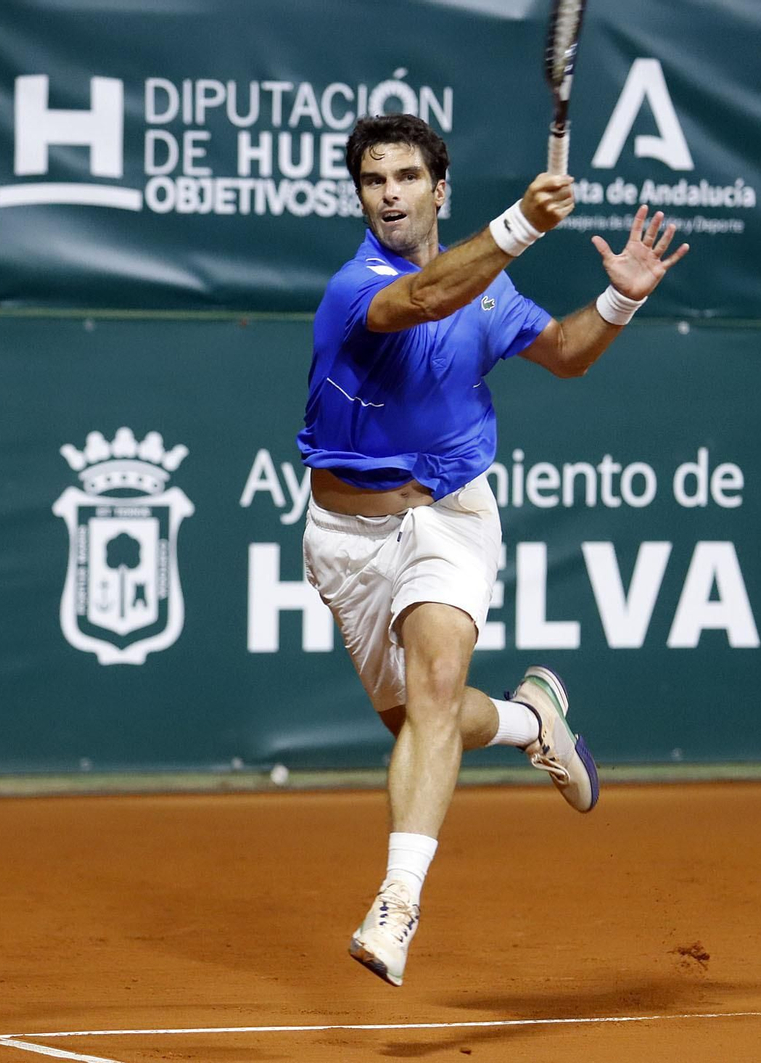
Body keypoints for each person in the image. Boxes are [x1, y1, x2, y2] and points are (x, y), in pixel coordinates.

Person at [296, 113, 689, 987]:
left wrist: (621, 297)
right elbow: (425, 298)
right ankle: (529, 721)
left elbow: (565, 353)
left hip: (450, 513)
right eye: (372, 180)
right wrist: (522, 224)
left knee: (434, 692)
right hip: (348, 539)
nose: (388, 194)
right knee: (421, 726)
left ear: (440, 190)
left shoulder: (491, 293)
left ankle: (397, 902)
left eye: (405, 177)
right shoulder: (354, 286)